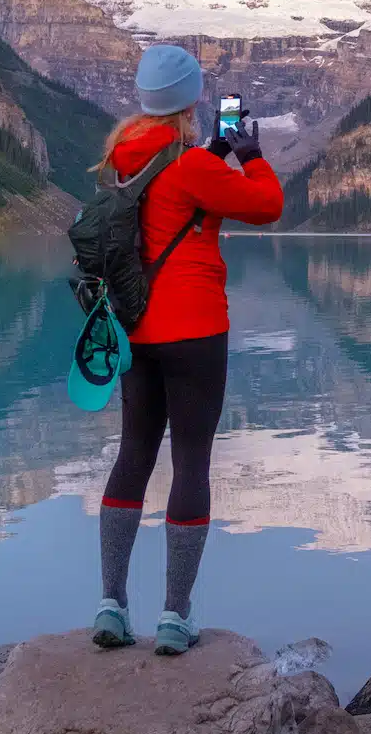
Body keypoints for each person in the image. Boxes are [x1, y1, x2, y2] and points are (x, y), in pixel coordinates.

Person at [92, 44, 283, 655]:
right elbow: (267, 206)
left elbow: (170, 190)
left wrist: (211, 154)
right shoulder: (193, 168)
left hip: (135, 330)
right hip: (195, 330)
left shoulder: (122, 160)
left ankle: (111, 607)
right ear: (193, 99)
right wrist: (249, 157)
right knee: (192, 461)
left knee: (133, 457)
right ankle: (175, 617)